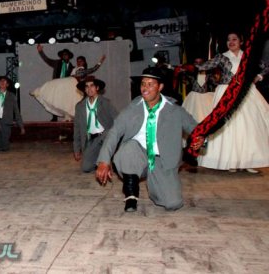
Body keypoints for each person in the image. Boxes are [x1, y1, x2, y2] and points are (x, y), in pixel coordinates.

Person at [95, 67, 199, 212]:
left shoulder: (175, 110)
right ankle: (131, 194)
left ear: (160, 87)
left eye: (150, 84)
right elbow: (114, 132)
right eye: (143, 84)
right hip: (138, 154)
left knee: (173, 203)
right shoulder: (133, 108)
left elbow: (197, 129)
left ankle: (156, 184)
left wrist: (199, 140)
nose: (145, 88)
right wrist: (104, 160)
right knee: (129, 148)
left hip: (162, 160)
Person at [193, 31, 269, 173]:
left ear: (241, 41)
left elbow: (265, 67)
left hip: (245, 93)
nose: (231, 42)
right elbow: (203, 66)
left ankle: (248, 161)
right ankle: (231, 161)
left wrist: (258, 77)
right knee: (228, 127)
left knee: (247, 127)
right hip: (226, 93)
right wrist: (188, 66)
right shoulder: (222, 57)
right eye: (228, 40)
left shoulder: (248, 56)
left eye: (234, 39)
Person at [31, 47, 106, 121]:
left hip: (70, 85)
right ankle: (39, 92)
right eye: (78, 61)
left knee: (68, 101)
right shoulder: (63, 64)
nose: (79, 62)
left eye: (81, 61)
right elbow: (47, 60)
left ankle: (69, 116)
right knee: (54, 93)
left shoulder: (76, 68)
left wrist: (100, 62)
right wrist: (41, 52)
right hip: (63, 83)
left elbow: (92, 69)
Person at [73, 76, 118, 172]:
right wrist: (76, 149)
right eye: (87, 86)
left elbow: (117, 120)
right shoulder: (80, 106)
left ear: (97, 88)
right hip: (91, 140)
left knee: (107, 133)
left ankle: (108, 159)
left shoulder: (106, 103)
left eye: (92, 86)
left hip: (105, 136)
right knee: (86, 168)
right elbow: (77, 128)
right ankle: (99, 160)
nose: (89, 89)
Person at [180, 57, 218, 123]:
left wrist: (216, 76)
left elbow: (214, 82)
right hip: (194, 97)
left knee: (207, 115)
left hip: (205, 97)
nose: (198, 64)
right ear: (194, 64)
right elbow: (186, 82)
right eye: (196, 62)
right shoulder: (191, 74)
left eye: (200, 62)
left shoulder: (208, 73)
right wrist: (183, 74)